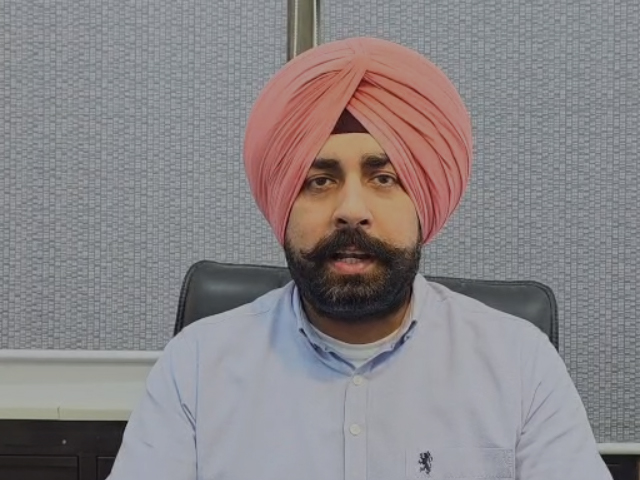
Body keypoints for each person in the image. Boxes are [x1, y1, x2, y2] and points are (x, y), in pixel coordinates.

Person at [107, 37, 611, 480]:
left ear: (424, 201)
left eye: (384, 178)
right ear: (283, 204)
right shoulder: (197, 366)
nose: (351, 209)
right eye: (319, 181)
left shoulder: (519, 362)